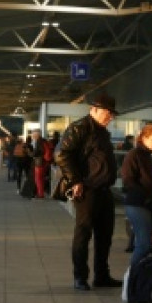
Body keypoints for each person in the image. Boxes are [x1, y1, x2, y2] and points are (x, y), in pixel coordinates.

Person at [57, 92, 121, 291]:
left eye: (111, 114)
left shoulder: (102, 131)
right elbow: (61, 153)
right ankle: (80, 277)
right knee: (83, 233)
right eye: (107, 113)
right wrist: (75, 180)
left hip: (104, 190)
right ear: (93, 110)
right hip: (87, 189)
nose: (109, 117)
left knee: (105, 234)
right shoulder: (80, 127)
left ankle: (102, 275)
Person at [119, 123, 152, 274]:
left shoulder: (147, 156)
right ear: (143, 138)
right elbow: (128, 180)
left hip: (147, 204)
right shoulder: (135, 155)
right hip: (139, 204)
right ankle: (132, 277)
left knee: (145, 244)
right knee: (144, 244)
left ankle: (136, 276)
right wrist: (146, 197)